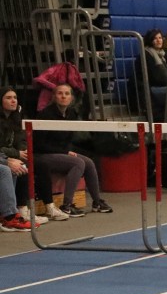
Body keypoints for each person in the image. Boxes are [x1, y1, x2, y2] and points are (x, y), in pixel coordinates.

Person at [32, 84, 113, 215]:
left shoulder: (72, 114)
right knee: (77, 163)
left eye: (67, 94)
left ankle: (97, 201)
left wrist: (65, 152)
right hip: (42, 154)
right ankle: (67, 205)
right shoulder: (45, 114)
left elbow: (67, 140)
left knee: (89, 162)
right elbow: (38, 144)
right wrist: (65, 152)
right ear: (54, 97)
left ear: (71, 98)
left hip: (60, 153)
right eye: (60, 93)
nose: (63, 96)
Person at [0, 88, 59, 221]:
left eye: (15, 97)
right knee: (21, 168)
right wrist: (16, 153)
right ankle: (21, 210)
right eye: (8, 98)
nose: (13, 101)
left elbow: (21, 138)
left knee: (41, 165)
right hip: (6, 155)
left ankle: (49, 206)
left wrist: (23, 150)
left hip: (15, 154)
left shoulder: (16, 118)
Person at [141, 28, 167, 122]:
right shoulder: (146, 55)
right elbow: (158, 78)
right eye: (155, 38)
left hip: (158, 88)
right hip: (151, 90)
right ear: (150, 40)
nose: (158, 40)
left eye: (160, 38)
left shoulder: (162, 55)